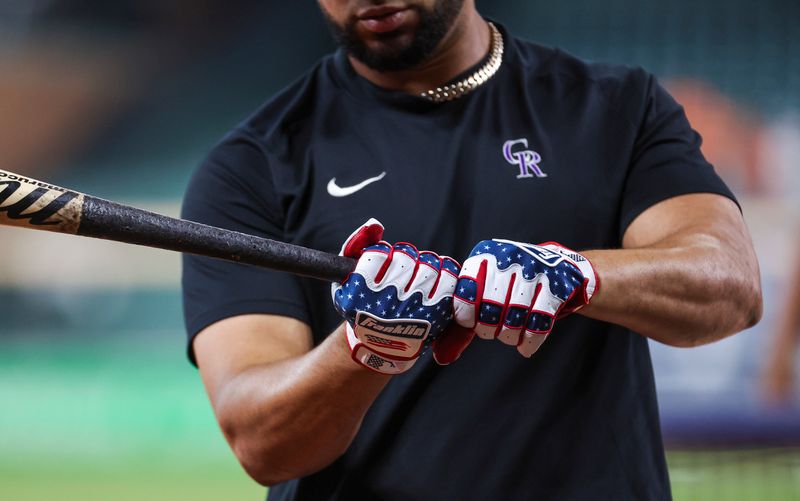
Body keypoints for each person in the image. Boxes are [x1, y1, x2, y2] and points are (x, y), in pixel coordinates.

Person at [180, 1, 763, 499]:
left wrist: (574, 276)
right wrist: (367, 347)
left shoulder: (614, 106)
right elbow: (262, 441)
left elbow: (729, 283)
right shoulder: (253, 165)